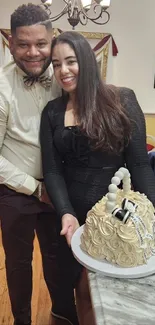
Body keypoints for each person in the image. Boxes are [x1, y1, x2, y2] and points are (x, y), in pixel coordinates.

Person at [40, 31, 155, 324]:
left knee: (116, 289)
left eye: (70, 61)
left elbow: (140, 164)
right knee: (64, 277)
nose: (63, 71)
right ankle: (66, 316)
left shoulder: (122, 99)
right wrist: (65, 212)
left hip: (115, 216)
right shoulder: (52, 112)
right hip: (71, 214)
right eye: (56, 64)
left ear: (87, 61)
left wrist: (153, 212)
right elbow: (52, 170)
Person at [0, 5, 79, 325]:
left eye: (41, 44)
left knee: (60, 258)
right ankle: (21, 320)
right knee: (18, 264)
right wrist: (34, 187)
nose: (33, 52)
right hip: (16, 190)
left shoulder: (65, 78)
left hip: (60, 187)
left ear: (52, 39)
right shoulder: (1, 87)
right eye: (23, 44)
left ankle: (63, 314)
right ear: (10, 43)